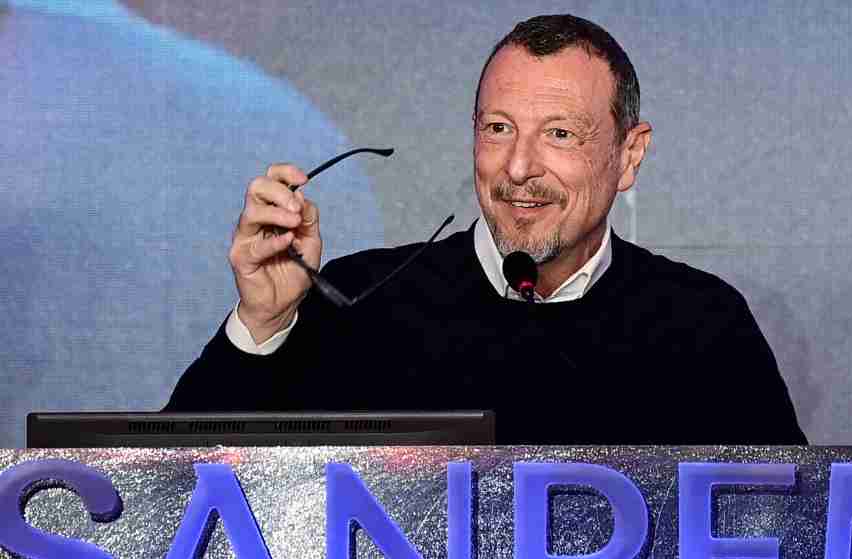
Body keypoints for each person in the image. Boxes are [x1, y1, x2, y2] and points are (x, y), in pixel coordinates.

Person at [167, 14, 807, 446]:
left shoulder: (703, 325)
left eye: (560, 134)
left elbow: (800, 545)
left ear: (629, 155)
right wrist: (263, 325)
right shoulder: (359, 302)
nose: (519, 167)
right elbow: (168, 500)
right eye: (499, 129)